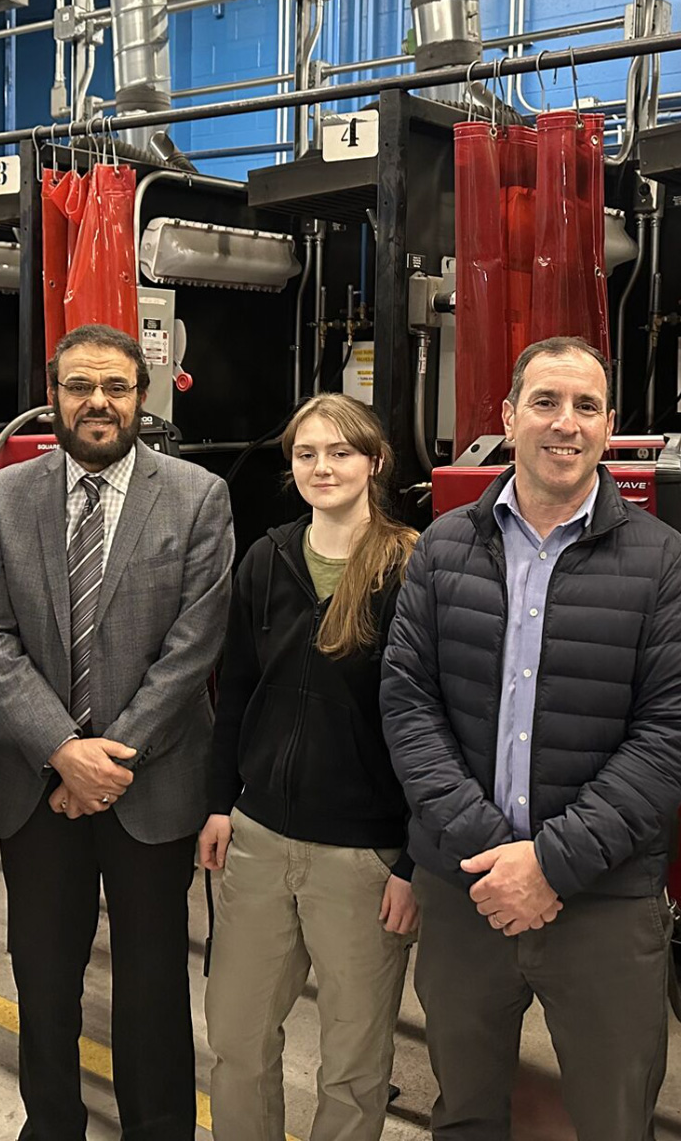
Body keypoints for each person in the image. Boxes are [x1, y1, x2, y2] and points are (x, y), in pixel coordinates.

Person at [380, 335, 681, 1141]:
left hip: (604, 901)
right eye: (545, 402)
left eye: (586, 407)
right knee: (463, 1113)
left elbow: (673, 733)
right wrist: (493, 851)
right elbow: (407, 701)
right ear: (508, 418)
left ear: (608, 427)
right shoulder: (443, 546)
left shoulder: (663, 562)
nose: (565, 424)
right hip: (468, 890)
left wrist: (552, 863)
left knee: (614, 1120)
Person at [0, 323, 234, 1141]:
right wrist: (62, 751)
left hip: (151, 784)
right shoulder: (8, 496)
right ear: (54, 395)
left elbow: (196, 646)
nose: (98, 403)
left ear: (141, 399)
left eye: (115, 387)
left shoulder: (197, 495)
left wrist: (110, 761)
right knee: (44, 980)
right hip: (36, 784)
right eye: (81, 386)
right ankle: (51, 1125)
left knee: (153, 982)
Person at [201, 393, 421, 1141]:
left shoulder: (409, 567)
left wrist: (414, 861)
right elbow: (234, 694)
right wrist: (219, 803)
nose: (321, 466)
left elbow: (437, 727)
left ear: (375, 461)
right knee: (236, 1042)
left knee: (354, 1064)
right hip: (259, 838)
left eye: (339, 451)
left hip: (363, 855)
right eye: (305, 453)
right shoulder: (266, 558)